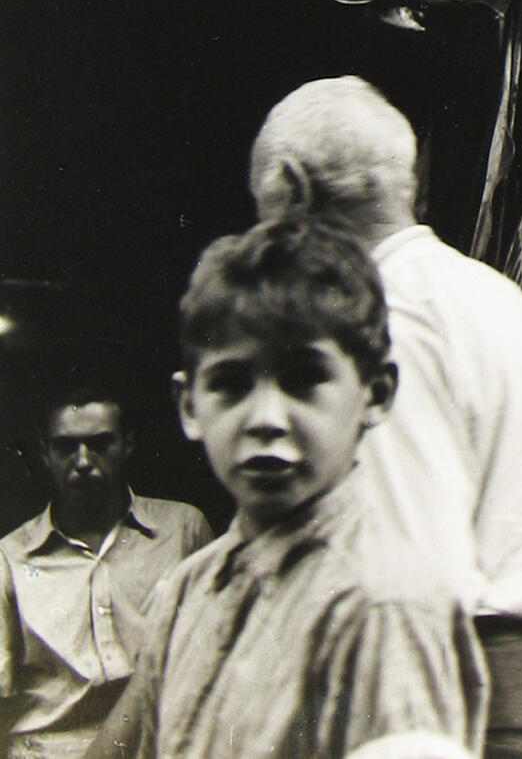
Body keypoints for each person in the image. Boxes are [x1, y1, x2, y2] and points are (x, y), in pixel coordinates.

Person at [247, 77, 522, 759]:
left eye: (263, 215)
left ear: (295, 189)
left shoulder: (384, 323)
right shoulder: (489, 296)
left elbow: (405, 577)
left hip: (470, 711)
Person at [88, 220, 487, 759]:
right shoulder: (187, 591)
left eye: (303, 379)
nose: (266, 419)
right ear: (189, 407)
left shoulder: (384, 601)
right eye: (231, 384)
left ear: (375, 392)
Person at [0, 390, 211, 758]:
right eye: (66, 447)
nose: (83, 461)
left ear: (127, 444)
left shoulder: (183, 529)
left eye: (100, 444)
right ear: (45, 453)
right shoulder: (9, 557)